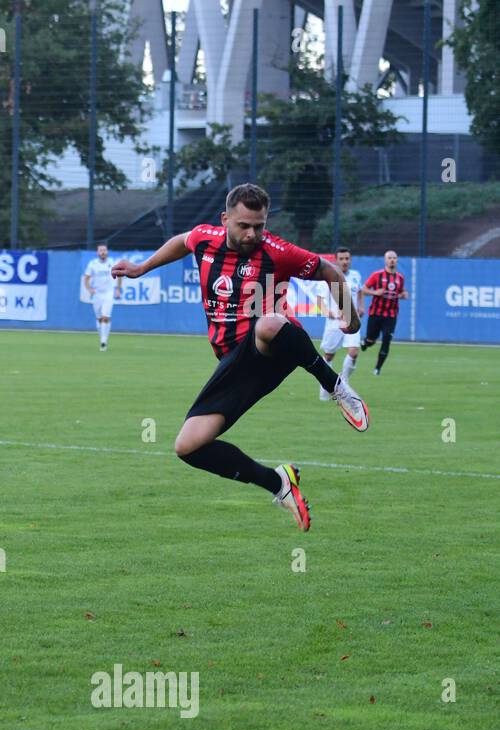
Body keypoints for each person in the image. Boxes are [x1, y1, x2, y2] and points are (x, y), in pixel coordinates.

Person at [110, 183, 369, 533]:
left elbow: (327, 270)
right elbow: (182, 241)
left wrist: (351, 318)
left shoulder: (276, 251)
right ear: (225, 219)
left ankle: (335, 385)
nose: (252, 234)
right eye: (244, 225)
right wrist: (143, 267)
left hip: (275, 345)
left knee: (268, 323)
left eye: (259, 226)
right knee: (189, 446)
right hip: (234, 362)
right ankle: (278, 484)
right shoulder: (205, 238)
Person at [317, 246, 364, 400]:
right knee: (329, 355)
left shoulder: (356, 275)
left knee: (354, 351)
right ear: (336, 260)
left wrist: (361, 306)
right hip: (334, 323)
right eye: (342, 259)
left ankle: (344, 382)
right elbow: (320, 299)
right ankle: (326, 385)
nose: (345, 262)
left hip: (351, 320)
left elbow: (360, 291)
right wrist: (327, 312)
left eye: (347, 259)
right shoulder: (330, 275)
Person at [360, 250, 408, 376]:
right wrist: (375, 293)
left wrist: (404, 294)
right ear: (385, 260)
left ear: (397, 260)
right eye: (389, 258)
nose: (392, 260)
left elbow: (403, 292)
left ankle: (377, 369)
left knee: (387, 338)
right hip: (376, 313)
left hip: (391, 315)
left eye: (394, 258)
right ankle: (365, 343)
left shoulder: (400, 277)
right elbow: (363, 290)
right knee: (371, 340)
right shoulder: (377, 275)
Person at [83, 242, 121, 351]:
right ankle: (102, 338)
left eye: (104, 250)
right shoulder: (93, 264)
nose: (103, 252)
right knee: (99, 319)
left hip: (108, 293)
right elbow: (86, 278)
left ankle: (104, 342)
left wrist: (117, 289)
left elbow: (119, 276)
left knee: (106, 316)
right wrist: (90, 289)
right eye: (101, 250)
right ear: (97, 252)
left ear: (107, 251)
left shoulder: (112, 263)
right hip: (97, 294)